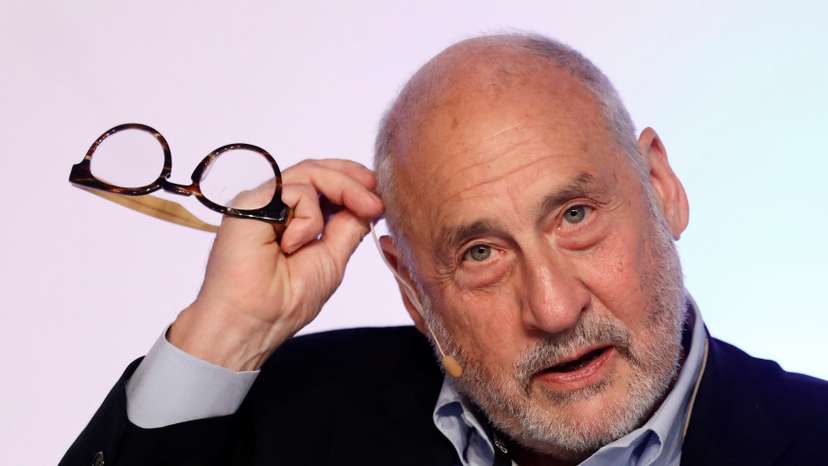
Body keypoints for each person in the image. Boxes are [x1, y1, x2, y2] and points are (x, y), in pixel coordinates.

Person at [60, 33, 827, 466]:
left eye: (576, 214)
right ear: (410, 287)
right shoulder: (286, 423)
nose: (554, 309)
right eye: (480, 254)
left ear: (661, 187)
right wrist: (225, 335)